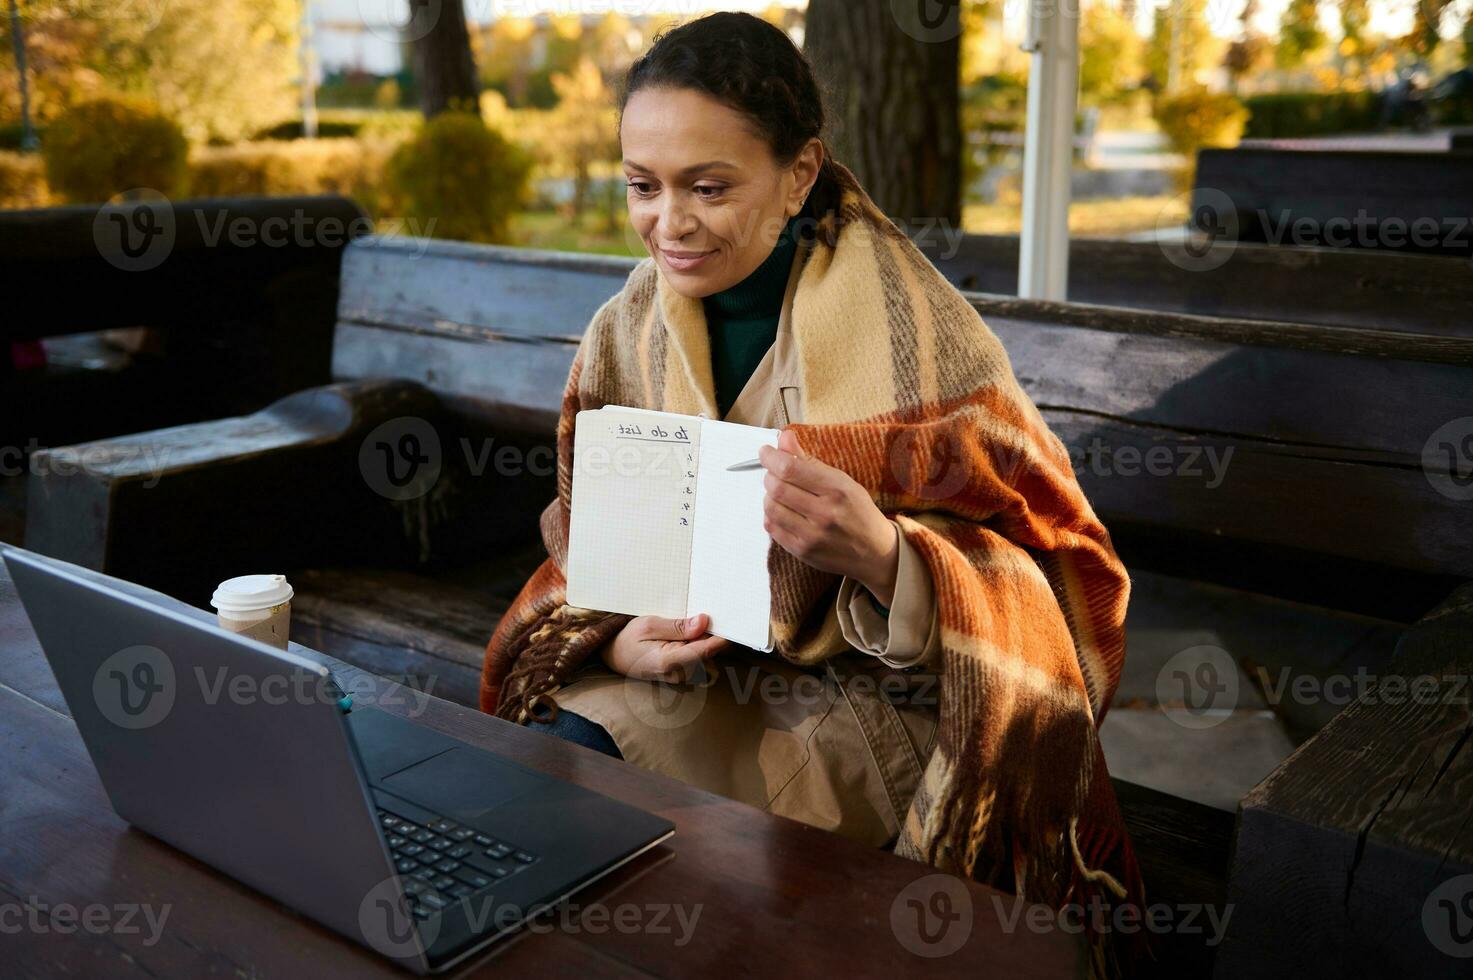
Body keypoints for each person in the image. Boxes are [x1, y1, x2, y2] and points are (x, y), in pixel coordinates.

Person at [482, 13, 1142, 972]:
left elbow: (1051, 578)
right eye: (641, 186)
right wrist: (622, 634)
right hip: (712, 673)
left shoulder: (919, 332)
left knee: (640, 840)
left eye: (709, 187)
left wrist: (882, 555)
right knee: (565, 747)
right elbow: (601, 544)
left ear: (800, 174)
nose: (669, 222)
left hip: (884, 707)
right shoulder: (627, 327)